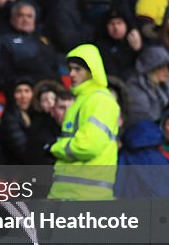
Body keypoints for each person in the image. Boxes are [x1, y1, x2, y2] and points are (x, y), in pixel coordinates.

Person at [48, 44, 121, 200]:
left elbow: (88, 146)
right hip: (67, 194)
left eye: (78, 69)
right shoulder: (82, 100)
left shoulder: (101, 100)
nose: (71, 74)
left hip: (88, 196)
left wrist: (55, 147)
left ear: (91, 70)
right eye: (70, 69)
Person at [126, 46, 169, 125]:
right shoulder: (135, 87)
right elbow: (140, 118)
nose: (167, 71)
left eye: (167, 67)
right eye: (162, 68)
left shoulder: (168, 83)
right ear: (152, 68)